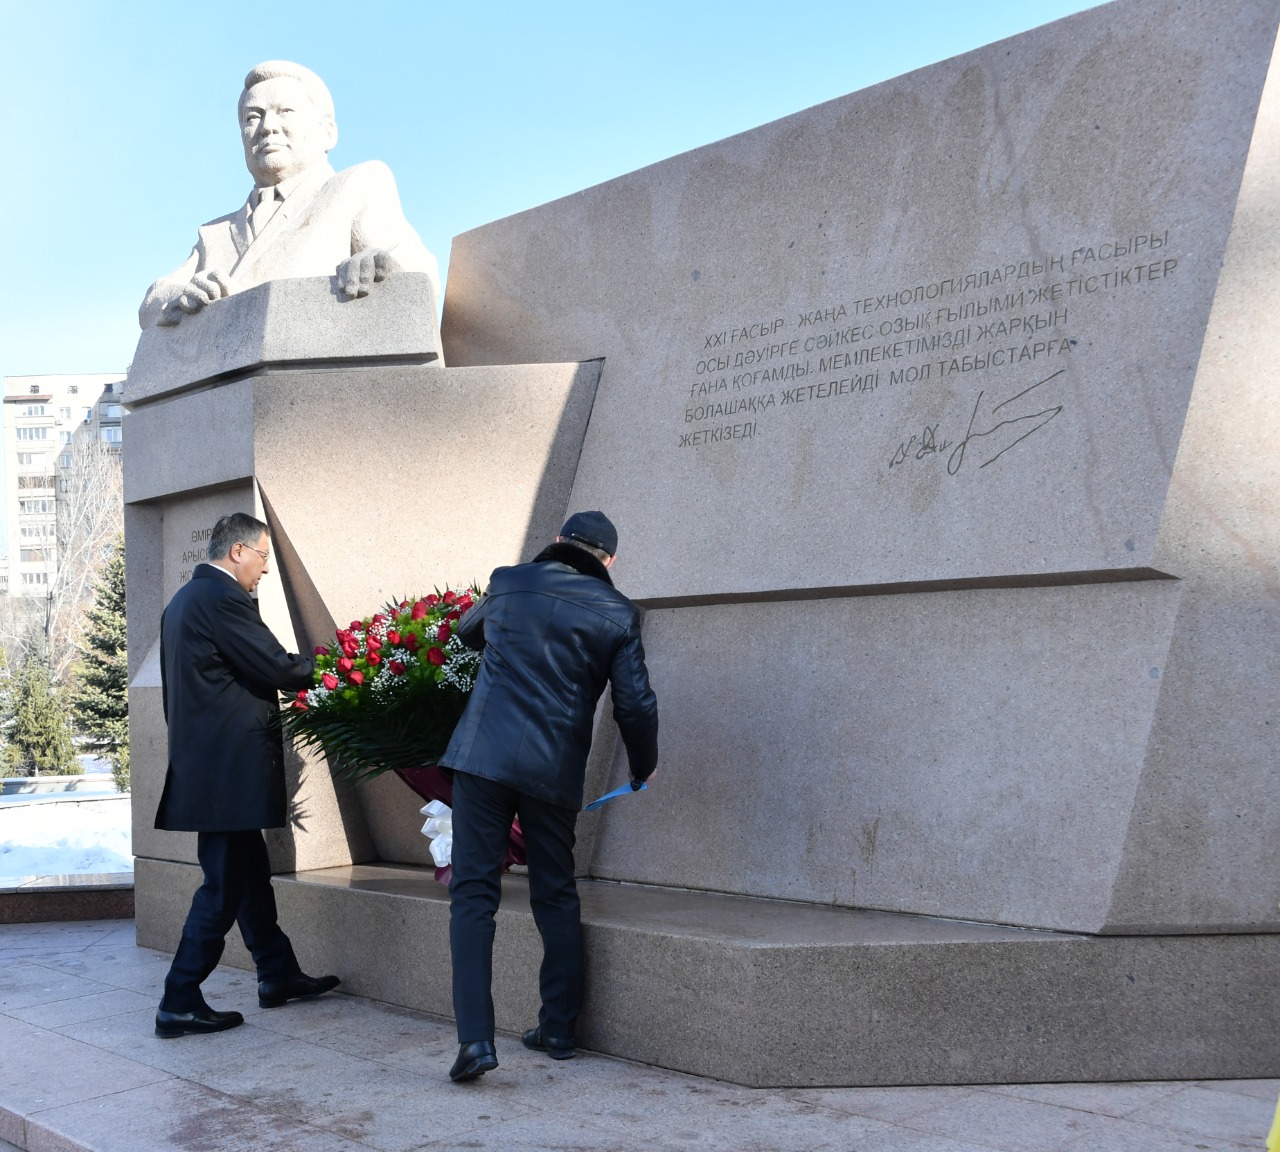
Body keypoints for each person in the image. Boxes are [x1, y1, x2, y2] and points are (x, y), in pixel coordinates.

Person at [439, 510, 659, 1082]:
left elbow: (466, 632)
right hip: (553, 769)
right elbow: (635, 704)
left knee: (473, 895)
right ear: (610, 560)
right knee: (555, 894)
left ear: (559, 541)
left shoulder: (508, 581)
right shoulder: (618, 613)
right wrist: (642, 766)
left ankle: (475, 1041)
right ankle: (558, 1028)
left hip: (482, 759)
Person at [153, 512, 340, 1038]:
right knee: (222, 887)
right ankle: (179, 998)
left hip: (211, 770)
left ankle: (276, 973)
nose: (265, 570)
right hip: (226, 774)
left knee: (248, 875)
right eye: (262, 557)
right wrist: (341, 668)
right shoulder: (221, 598)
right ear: (237, 551)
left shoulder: (184, 601)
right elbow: (276, 665)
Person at [138, 60, 439, 329]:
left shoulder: (356, 185)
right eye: (252, 117)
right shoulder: (215, 233)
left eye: (285, 112)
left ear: (328, 131)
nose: (267, 127)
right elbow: (152, 302)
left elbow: (416, 265)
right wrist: (181, 295)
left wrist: (381, 264)